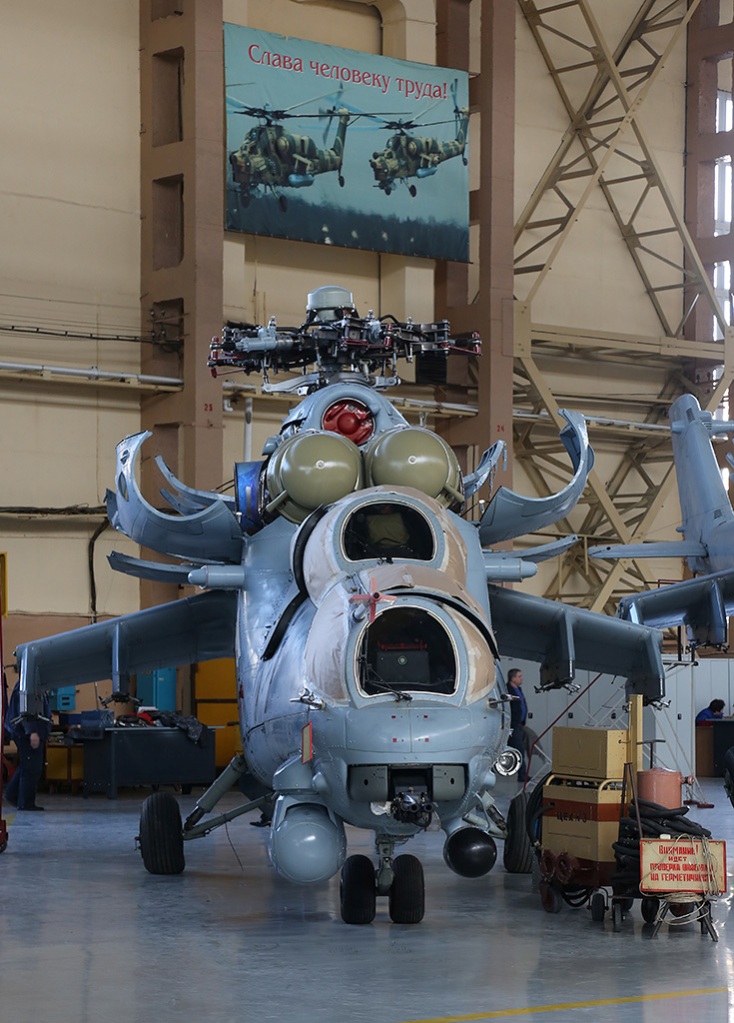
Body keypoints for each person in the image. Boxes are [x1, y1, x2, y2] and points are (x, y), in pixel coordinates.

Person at [4, 679, 51, 810]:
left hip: (27, 732)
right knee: (31, 768)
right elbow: (26, 709)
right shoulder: (28, 684)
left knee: (28, 765)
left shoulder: (32, 683)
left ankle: (14, 795)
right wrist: (32, 731)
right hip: (26, 733)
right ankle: (24, 802)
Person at [506, 667, 529, 781]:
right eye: (519, 676)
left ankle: (523, 774)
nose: (521, 678)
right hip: (512, 725)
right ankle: (522, 775)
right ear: (513, 678)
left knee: (521, 749)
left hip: (520, 724)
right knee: (518, 749)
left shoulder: (518, 689)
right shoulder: (507, 690)